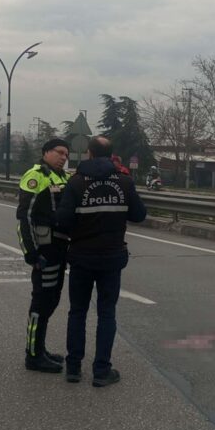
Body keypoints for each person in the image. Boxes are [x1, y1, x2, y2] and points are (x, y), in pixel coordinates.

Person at [56, 136, 146, 387]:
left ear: (90, 154)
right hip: (111, 258)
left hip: (81, 257)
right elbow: (139, 215)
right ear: (110, 155)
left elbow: (62, 221)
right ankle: (101, 370)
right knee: (107, 313)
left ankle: (73, 368)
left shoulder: (75, 182)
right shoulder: (125, 182)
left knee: (78, 312)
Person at [17, 138, 70, 372]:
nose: (63, 157)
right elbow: (24, 217)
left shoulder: (63, 177)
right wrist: (31, 253)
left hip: (60, 249)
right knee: (41, 301)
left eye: (66, 154)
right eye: (59, 152)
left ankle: (40, 348)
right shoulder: (35, 176)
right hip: (44, 250)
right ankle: (33, 355)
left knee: (52, 300)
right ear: (46, 152)